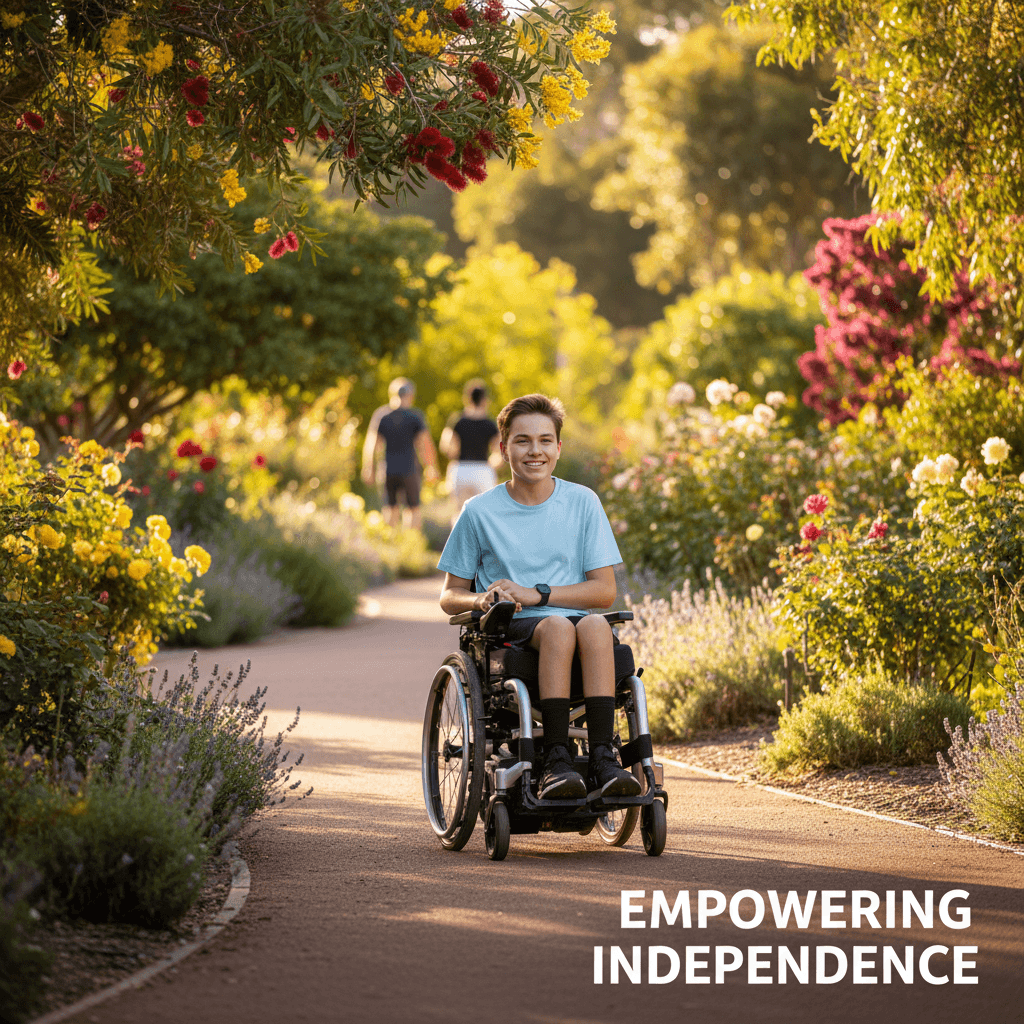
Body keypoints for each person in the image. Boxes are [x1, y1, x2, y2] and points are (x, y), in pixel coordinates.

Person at [437, 393, 641, 801]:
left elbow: (604, 591)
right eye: (523, 441)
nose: (535, 451)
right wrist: (481, 599)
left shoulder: (583, 502)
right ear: (503, 448)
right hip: (513, 628)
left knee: (595, 625)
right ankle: (556, 760)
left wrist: (538, 594)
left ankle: (604, 759)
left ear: (558, 448)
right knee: (557, 627)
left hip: (574, 622)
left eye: (545, 440)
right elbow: (449, 596)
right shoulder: (478, 512)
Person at [361, 377, 439, 530]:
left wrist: (369, 467)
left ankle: (390, 541)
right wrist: (431, 467)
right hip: (409, 469)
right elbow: (425, 445)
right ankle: (410, 540)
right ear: (410, 395)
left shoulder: (382, 415)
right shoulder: (415, 416)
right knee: (413, 509)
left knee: (390, 508)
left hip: (388, 469)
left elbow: (372, 445)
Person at [439, 379, 501, 521]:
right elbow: (500, 451)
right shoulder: (490, 424)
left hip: (460, 469)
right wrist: (491, 466)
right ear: (485, 400)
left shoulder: (457, 421)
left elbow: (446, 446)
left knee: (459, 512)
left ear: (467, 399)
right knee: (484, 516)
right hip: (483, 470)